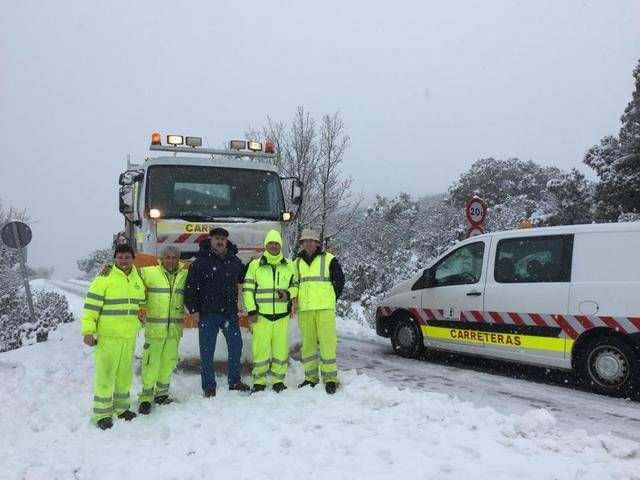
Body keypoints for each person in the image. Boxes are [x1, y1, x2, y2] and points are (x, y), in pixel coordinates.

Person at [81, 244, 145, 429]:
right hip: (108, 336)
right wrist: (87, 331)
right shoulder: (104, 278)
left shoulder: (137, 278)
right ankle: (102, 414)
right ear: (114, 259)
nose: (124, 260)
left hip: (128, 336)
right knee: (106, 375)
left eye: (127, 257)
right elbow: (91, 307)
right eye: (120, 257)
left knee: (124, 375)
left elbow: (140, 302)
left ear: (133, 259)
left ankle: (122, 408)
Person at [185, 227, 249, 397]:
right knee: (207, 351)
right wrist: (193, 310)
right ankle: (208, 385)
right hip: (207, 314)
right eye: (216, 239)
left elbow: (246, 277)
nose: (220, 242)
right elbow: (190, 288)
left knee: (236, 347)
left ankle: (234, 381)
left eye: (222, 239)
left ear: (226, 241)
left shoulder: (234, 261)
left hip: (229, 313)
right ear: (211, 240)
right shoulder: (200, 262)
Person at [243, 229, 298, 393]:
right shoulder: (255, 265)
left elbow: (295, 285)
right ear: (265, 245)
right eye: (271, 243)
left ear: (280, 246)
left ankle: (278, 381)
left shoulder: (290, 265)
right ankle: (259, 382)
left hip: (281, 317)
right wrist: (251, 311)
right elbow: (248, 289)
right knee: (260, 351)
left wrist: (288, 294)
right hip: (262, 317)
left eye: (276, 243)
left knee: (280, 351)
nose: (274, 246)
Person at [136, 246, 188, 414]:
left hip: (174, 331)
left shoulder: (184, 275)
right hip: (155, 331)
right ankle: (146, 397)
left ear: (179, 259)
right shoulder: (149, 272)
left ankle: (162, 394)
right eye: (167, 257)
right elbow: (127, 272)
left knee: (168, 363)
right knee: (151, 364)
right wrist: (110, 268)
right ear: (161, 258)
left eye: (174, 258)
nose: (171, 261)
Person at [294, 228, 345, 394]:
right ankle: (310, 378)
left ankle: (330, 379)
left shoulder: (329, 259)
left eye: (312, 240)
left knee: (327, 344)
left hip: (324, 309)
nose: (308, 243)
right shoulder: (296, 262)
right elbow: (294, 284)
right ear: (302, 243)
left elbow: (339, 280)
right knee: (307, 346)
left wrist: (331, 298)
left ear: (317, 243)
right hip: (306, 309)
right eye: (305, 240)